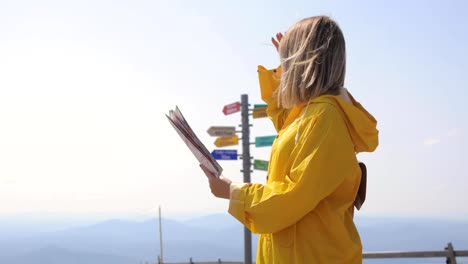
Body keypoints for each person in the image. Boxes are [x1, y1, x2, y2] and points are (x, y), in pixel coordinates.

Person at [200, 15, 379, 264]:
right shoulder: (312, 114)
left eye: (289, 60)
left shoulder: (325, 117)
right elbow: (286, 121)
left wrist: (233, 192)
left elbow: (292, 196)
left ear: (305, 62)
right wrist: (284, 68)